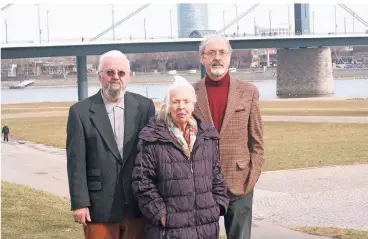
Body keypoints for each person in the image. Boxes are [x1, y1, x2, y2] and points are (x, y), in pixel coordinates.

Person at [66, 50, 155, 239]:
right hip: (99, 207)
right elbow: (76, 163)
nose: (116, 77)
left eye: (121, 73)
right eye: (110, 72)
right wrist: (80, 202)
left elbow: (153, 155)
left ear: (129, 77)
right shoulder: (79, 113)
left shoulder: (145, 107)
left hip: (137, 204)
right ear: (100, 77)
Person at [132, 76, 229, 239]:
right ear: (168, 105)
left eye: (186, 101)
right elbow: (142, 182)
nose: (181, 107)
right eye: (176, 102)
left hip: (205, 228)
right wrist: (161, 214)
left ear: (193, 104)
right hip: (170, 230)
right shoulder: (153, 138)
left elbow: (216, 175)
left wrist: (218, 204)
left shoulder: (207, 136)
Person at [193, 35, 265, 239]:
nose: (217, 57)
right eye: (211, 53)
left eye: (222, 52)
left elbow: (257, 142)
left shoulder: (248, 92)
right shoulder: (189, 93)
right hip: (201, 183)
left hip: (239, 180)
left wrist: (252, 177)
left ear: (229, 57)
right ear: (202, 58)